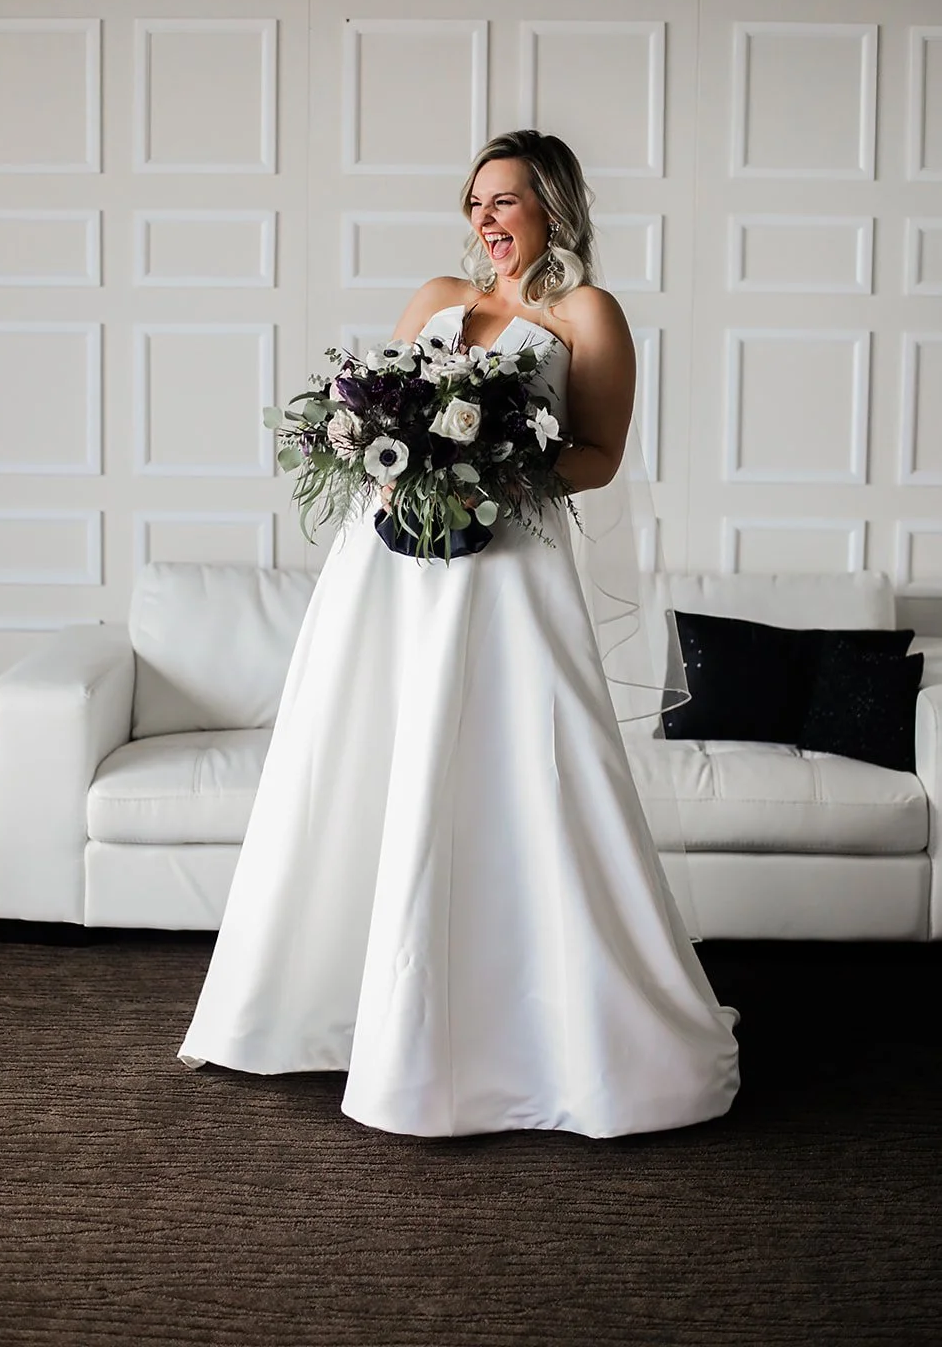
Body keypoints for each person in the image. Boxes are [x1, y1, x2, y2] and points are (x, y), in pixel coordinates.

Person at [178, 129, 740, 1140]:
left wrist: (489, 468)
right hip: (386, 569)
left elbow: (600, 454)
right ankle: (340, 1005)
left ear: (553, 210)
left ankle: (541, 1028)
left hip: (509, 569)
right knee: (360, 755)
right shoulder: (438, 293)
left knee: (524, 768)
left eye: (504, 201)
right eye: (474, 201)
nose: (483, 219)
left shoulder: (585, 313)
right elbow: (370, 403)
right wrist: (381, 452)